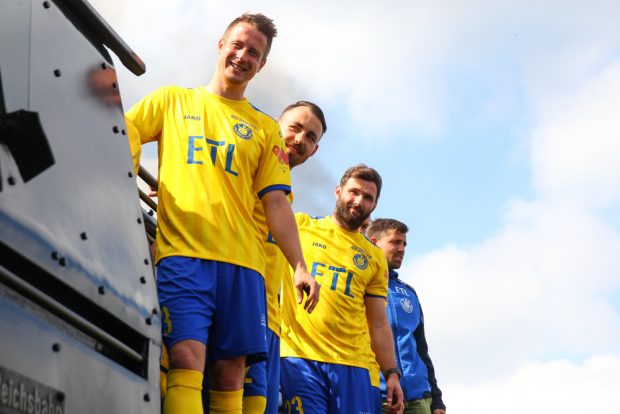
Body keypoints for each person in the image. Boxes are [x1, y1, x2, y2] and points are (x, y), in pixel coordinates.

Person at [125, 13, 319, 414]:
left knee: (230, 379)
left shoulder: (264, 128)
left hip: (244, 268)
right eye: (238, 45)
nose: (243, 56)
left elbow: (276, 202)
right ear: (221, 45)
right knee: (186, 362)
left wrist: (299, 265)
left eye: (254, 52)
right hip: (184, 257)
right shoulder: (172, 100)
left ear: (261, 65)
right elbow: (125, 131)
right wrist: (122, 182)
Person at [280, 164, 405, 414]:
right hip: (299, 356)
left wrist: (391, 373)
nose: (359, 201)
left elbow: (378, 322)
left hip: (354, 365)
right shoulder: (300, 226)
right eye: (353, 192)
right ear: (338, 191)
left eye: (367, 197)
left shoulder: (374, 257)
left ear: (374, 205)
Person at [242, 101, 327, 413]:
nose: (300, 139)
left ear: (314, 150)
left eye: (310, 137)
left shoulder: (286, 196)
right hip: (240, 306)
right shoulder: (247, 164)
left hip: (269, 320)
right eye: (295, 128)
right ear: (276, 125)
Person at [366, 219, 446, 414]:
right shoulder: (360, 286)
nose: (401, 249)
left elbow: (421, 348)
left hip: (419, 399)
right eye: (395, 242)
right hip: (379, 396)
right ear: (374, 242)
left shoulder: (409, 292)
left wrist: (436, 399)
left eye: (404, 244)